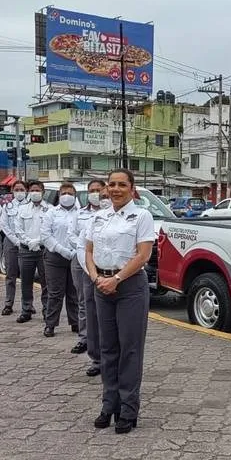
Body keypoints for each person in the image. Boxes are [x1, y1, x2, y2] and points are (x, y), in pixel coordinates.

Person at [85, 169, 156, 434]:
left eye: (122, 185)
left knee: (130, 350)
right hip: (101, 286)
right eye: (111, 184)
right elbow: (89, 251)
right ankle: (109, 405)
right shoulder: (98, 217)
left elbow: (143, 255)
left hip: (129, 287)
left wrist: (115, 278)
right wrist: (95, 278)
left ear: (132, 188)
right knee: (107, 349)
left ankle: (128, 409)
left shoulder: (141, 216)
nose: (115, 189)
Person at [71, 178, 106, 371]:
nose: (99, 196)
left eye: (101, 193)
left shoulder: (123, 216)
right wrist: (92, 273)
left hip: (114, 276)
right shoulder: (88, 218)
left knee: (109, 318)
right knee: (91, 313)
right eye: (93, 192)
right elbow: (81, 246)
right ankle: (97, 359)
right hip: (91, 272)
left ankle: (111, 359)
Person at [40, 182, 81, 338]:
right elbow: (46, 235)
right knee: (55, 293)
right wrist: (62, 250)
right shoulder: (51, 213)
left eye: (70, 193)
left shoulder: (80, 213)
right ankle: (50, 324)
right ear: (59, 195)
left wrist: (76, 251)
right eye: (64, 193)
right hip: (55, 257)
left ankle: (76, 322)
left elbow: (83, 235)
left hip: (75, 256)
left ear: (75, 196)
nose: (67, 196)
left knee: (74, 293)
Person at [15, 180, 50, 323]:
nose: (35, 193)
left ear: (43, 192)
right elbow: (18, 228)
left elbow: (50, 230)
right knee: (26, 282)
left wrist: (39, 242)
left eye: (38, 190)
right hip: (26, 250)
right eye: (32, 190)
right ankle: (26, 310)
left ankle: (47, 311)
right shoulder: (23, 209)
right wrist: (29, 242)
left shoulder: (50, 209)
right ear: (29, 192)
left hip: (44, 250)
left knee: (46, 282)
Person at [0, 180, 28, 315]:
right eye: (16, 189)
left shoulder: (30, 206)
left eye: (21, 189)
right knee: (10, 275)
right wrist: (15, 240)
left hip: (27, 243)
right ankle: (8, 304)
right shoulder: (8, 207)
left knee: (26, 276)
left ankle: (27, 305)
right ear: (12, 191)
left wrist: (23, 240)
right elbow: (4, 225)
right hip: (11, 241)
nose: (19, 192)